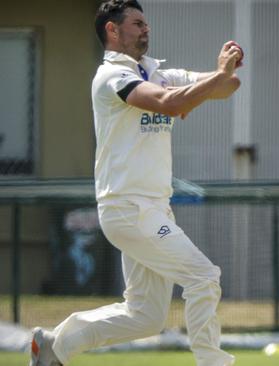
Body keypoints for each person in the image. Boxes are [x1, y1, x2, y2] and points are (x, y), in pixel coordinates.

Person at [29, 1, 242, 365]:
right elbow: (167, 103)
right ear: (112, 30)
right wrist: (214, 79)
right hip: (128, 207)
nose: (147, 29)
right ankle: (213, 362)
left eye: (147, 23)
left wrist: (223, 72)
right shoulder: (112, 76)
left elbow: (228, 86)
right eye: (137, 23)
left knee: (145, 316)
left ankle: (53, 346)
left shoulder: (157, 72)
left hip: (153, 209)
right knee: (203, 277)